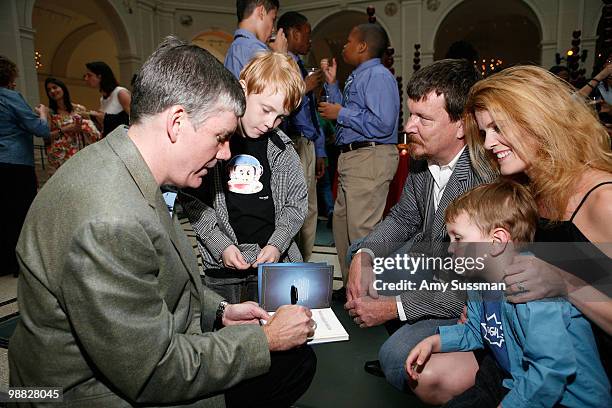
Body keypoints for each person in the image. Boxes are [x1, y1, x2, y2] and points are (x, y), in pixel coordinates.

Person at [9, 37, 316, 407]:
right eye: (220, 137)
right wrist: (264, 341)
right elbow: (155, 371)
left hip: (106, 369)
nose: (225, 153)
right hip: (77, 395)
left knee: (293, 361)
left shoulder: (121, 164)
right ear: (176, 123)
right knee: (291, 364)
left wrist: (220, 310)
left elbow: (156, 283)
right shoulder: (111, 222)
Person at [340, 59, 494, 391]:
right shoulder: (423, 161)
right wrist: (364, 254)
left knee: (395, 357)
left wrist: (391, 308)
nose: (409, 127)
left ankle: (473, 358)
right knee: (362, 255)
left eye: (423, 118)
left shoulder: (484, 182)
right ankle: (414, 334)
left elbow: (469, 288)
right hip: (431, 264)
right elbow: (403, 218)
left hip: (466, 292)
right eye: (411, 114)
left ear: (461, 125)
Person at [406, 180, 611, 408]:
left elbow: (551, 368)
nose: (451, 248)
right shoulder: (478, 283)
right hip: (518, 381)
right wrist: (436, 341)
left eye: (458, 238)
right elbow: (479, 330)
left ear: (497, 242)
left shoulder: (533, 291)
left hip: (569, 399)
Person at [180, 51, 307, 303]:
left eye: (280, 116)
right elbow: (194, 201)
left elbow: (296, 204)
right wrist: (221, 245)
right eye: (266, 109)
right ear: (242, 90)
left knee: (278, 334)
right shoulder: (214, 142)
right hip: (222, 269)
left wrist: (277, 244)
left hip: (274, 265)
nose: (271, 122)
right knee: (226, 337)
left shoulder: (283, 149)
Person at [318, 23, 400, 295]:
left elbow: (383, 124)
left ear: (363, 46)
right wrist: (332, 85)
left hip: (370, 155)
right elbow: (346, 112)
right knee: (343, 227)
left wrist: (341, 113)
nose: (344, 46)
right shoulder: (359, 75)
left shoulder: (377, 75)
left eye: (349, 42)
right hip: (354, 157)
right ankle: (352, 286)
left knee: (362, 230)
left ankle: (369, 292)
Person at [276, 11, 326, 261]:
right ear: (293, 33)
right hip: (291, 142)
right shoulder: (281, 63)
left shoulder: (300, 64)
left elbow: (311, 116)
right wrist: (303, 88)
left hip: (305, 143)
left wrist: (319, 150)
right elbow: (278, 105)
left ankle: (303, 262)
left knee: (309, 210)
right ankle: (292, 263)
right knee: (294, 208)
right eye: (307, 35)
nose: (310, 41)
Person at [0, 55, 50, 277]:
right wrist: (43, 115)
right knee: (22, 212)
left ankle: (4, 262)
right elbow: (40, 130)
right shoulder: (10, 97)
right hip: (16, 163)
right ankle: (22, 265)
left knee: (3, 213)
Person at [43, 77, 100, 170]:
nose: (52, 91)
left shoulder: (79, 109)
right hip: (60, 157)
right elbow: (46, 137)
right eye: (49, 90)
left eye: (55, 87)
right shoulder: (49, 112)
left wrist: (83, 127)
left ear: (62, 88)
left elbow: (92, 132)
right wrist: (67, 128)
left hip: (80, 153)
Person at [224, 0, 287, 78]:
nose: (273, 29)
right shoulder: (256, 51)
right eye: (272, 19)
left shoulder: (235, 47)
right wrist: (282, 56)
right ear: (262, 11)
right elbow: (282, 88)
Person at [83, 61, 131, 136]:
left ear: (100, 76)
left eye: (89, 75)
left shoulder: (120, 93)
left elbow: (135, 119)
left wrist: (103, 117)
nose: (86, 78)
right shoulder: (102, 99)